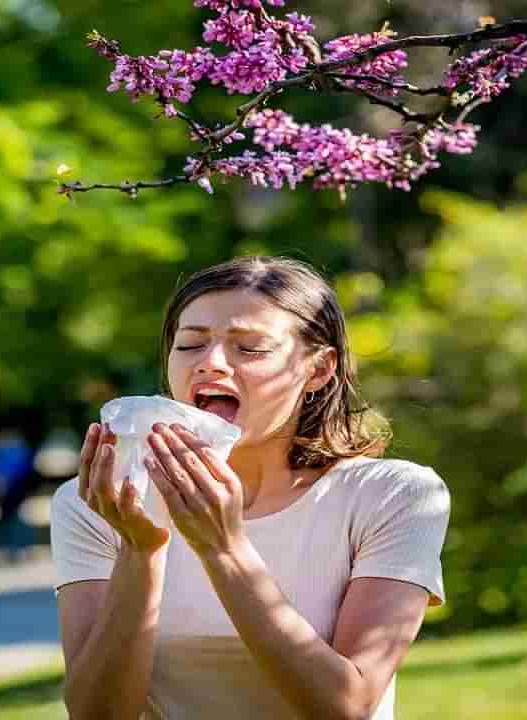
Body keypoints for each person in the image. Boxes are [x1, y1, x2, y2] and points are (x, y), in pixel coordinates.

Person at [50, 256, 451, 719]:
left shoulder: (393, 496)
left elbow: (347, 708)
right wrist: (141, 552)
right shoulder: (99, 503)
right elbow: (96, 715)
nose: (210, 364)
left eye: (250, 349)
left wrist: (223, 548)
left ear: (319, 370)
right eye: (190, 344)